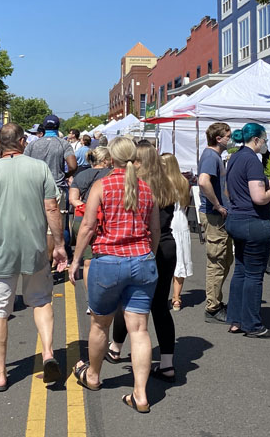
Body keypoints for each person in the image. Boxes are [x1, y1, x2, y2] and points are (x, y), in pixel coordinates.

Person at [0, 124, 68, 392]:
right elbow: (52, 207)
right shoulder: (39, 168)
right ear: (21, 141)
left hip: (1, 251)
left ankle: (0, 373)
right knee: (41, 302)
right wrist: (60, 244)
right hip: (35, 250)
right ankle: (49, 353)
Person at [69, 136, 160, 413]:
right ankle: (141, 394)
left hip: (108, 260)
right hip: (142, 260)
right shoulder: (146, 189)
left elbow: (87, 226)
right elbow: (154, 230)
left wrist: (75, 260)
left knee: (100, 324)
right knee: (140, 329)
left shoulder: (101, 185)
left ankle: (94, 375)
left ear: (111, 158)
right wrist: (149, 253)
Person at [107, 143, 181, 380]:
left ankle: (116, 347)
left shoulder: (138, 186)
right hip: (168, 246)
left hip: (142, 246)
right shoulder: (168, 183)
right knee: (160, 305)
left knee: (129, 301)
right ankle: (167, 362)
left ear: (138, 161)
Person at [223, 123, 270, 338]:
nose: (265, 144)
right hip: (253, 221)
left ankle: (236, 319)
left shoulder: (234, 158)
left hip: (236, 219)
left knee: (240, 270)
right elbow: (259, 197)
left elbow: (228, 191)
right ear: (255, 140)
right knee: (254, 274)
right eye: (264, 140)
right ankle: (252, 324)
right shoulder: (252, 161)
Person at [25, 115, 77, 270]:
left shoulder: (33, 144)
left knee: (35, 224)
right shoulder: (63, 144)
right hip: (56, 187)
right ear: (58, 126)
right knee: (52, 228)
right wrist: (65, 174)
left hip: (35, 187)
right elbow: (73, 165)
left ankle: (34, 260)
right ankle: (47, 265)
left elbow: (24, 162)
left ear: (43, 127)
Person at [197, 121, 233, 323]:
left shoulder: (214, 156)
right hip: (213, 215)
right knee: (217, 261)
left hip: (216, 215)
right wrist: (218, 205)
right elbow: (203, 181)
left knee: (225, 259)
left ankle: (215, 302)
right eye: (228, 136)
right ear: (218, 138)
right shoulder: (211, 156)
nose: (230, 139)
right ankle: (212, 307)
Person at [69, 145, 112, 286]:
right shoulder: (111, 174)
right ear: (106, 160)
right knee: (107, 260)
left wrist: (87, 208)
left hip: (82, 218)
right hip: (105, 219)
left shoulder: (81, 175)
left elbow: (73, 199)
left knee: (88, 262)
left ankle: (90, 302)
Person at [161, 153, 193, 311]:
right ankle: (176, 298)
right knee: (180, 260)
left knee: (165, 260)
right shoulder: (183, 181)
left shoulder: (162, 183)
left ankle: (164, 296)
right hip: (181, 221)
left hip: (168, 221)